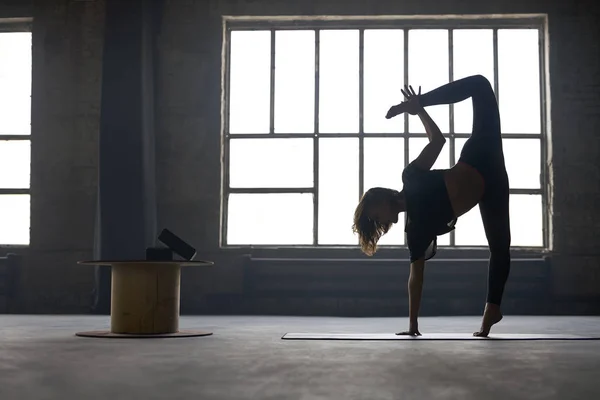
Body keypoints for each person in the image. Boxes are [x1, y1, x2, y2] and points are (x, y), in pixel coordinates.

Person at [352, 75, 510, 337]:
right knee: (500, 248)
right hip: (491, 187)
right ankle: (492, 311)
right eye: (376, 224)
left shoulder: (410, 176)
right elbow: (416, 279)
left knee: (480, 84)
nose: (379, 222)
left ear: (379, 199)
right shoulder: (415, 231)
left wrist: (419, 108)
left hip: (480, 155)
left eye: (374, 216)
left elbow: (438, 141)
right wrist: (413, 327)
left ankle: (417, 101)